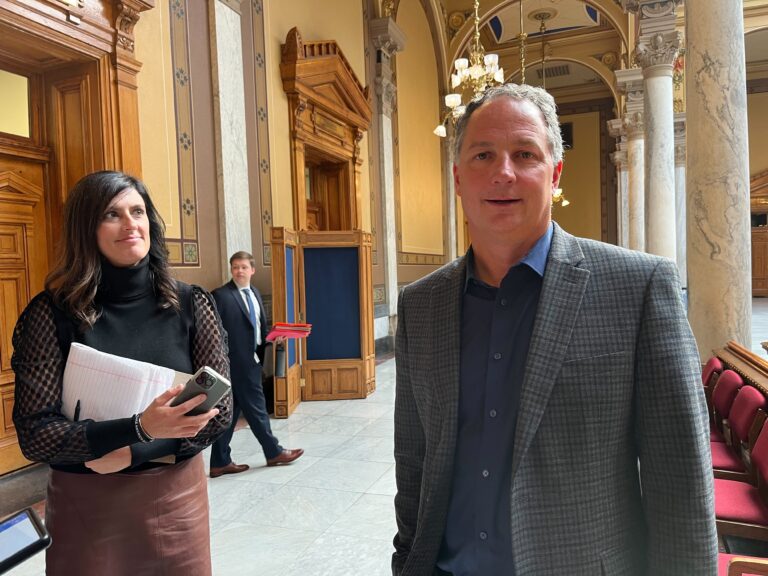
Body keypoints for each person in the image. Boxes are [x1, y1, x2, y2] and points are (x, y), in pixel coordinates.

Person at [392, 84, 718, 576]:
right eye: (483, 155)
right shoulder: (421, 306)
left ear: (555, 173)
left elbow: (680, 483)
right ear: (458, 178)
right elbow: (414, 462)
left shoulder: (638, 287)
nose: (503, 173)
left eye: (525, 154)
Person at [12, 171, 232, 576]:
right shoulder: (51, 313)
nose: (131, 223)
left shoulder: (189, 303)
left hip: (174, 499)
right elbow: (35, 433)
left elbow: (219, 413)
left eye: (138, 211)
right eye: (112, 214)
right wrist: (138, 426)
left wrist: (138, 446)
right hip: (87, 504)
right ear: (86, 229)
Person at [208, 251, 303, 477]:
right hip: (236, 364)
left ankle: (219, 462)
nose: (239, 271)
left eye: (243, 267)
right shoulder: (221, 295)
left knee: (229, 415)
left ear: (252, 270)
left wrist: (273, 338)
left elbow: (258, 329)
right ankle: (274, 452)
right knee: (258, 409)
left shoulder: (255, 293)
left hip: (254, 359)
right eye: (235, 267)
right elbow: (212, 331)